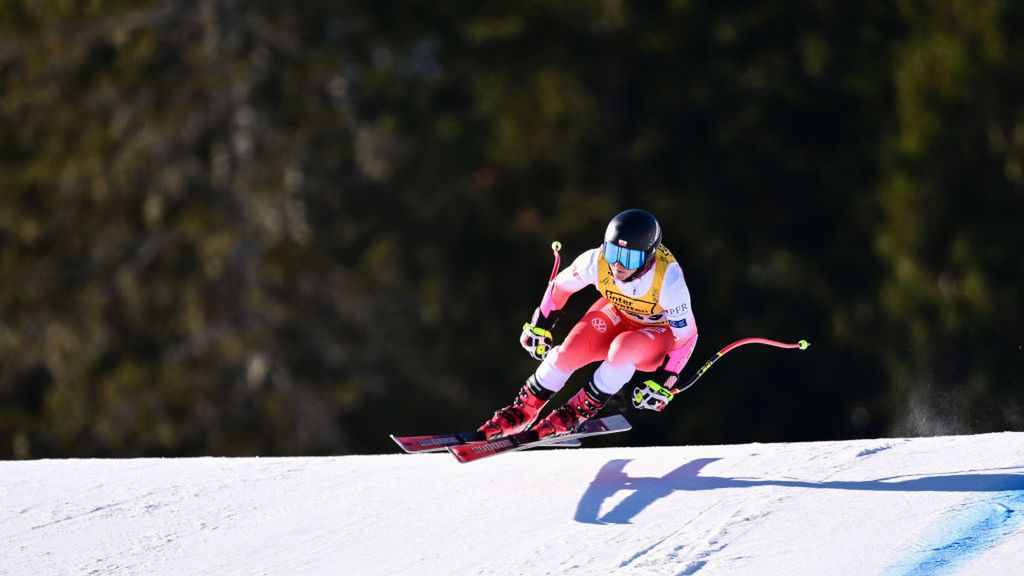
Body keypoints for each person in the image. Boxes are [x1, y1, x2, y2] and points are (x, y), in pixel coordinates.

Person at [478, 208, 699, 439]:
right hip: (619, 313)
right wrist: (541, 325)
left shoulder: (668, 281)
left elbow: (686, 336)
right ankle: (521, 411)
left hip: (656, 333)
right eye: (613, 252)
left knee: (623, 349)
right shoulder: (597, 260)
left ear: (649, 256)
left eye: (629, 258)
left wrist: (665, 379)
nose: (618, 265)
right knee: (569, 351)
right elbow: (559, 287)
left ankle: (573, 414)